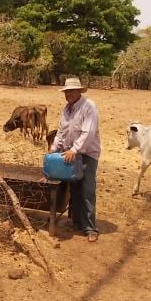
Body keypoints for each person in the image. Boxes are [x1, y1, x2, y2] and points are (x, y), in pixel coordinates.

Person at [49, 77, 101, 242]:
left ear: (79, 91)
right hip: (69, 154)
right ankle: (77, 222)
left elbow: (88, 132)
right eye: (67, 92)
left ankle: (90, 228)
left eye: (72, 91)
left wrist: (75, 149)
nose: (69, 94)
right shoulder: (66, 110)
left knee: (87, 190)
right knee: (75, 190)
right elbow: (60, 133)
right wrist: (53, 150)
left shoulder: (88, 107)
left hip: (86, 154)